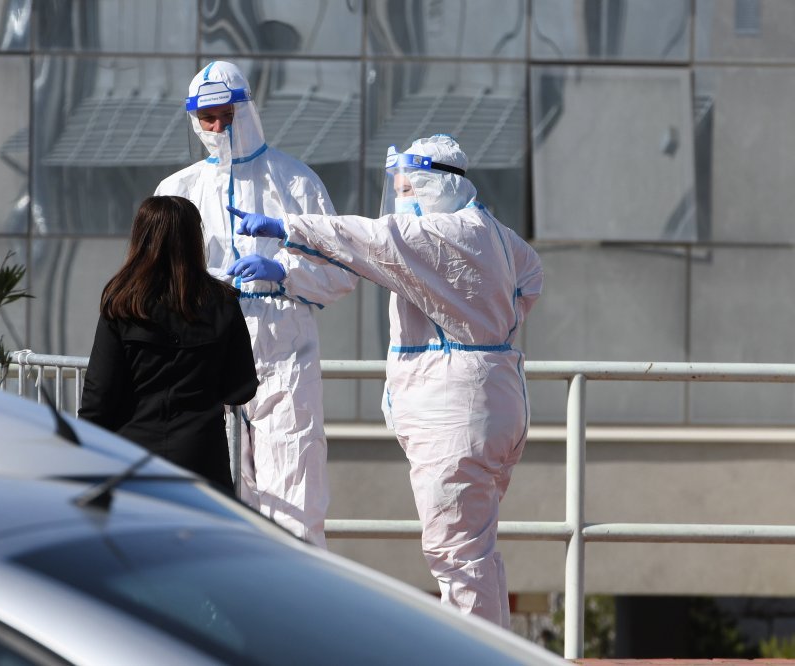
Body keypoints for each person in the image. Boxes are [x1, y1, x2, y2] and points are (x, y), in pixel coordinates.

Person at [230, 134, 543, 628]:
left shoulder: (438, 235)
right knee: (475, 548)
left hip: (454, 411)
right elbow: (530, 280)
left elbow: (370, 239)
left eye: (405, 189)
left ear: (432, 185)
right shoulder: (496, 234)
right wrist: (482, 319)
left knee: (456, 555)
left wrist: (287, 228)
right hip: (496, 400)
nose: (400, 201)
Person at [155, 61, 357, 546]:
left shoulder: (295, 182)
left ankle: (297, 592)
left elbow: (341, 270)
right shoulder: (177, 191)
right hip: (205, 348)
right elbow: (156, 280)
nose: (217, 128)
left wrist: (284, 272)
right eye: (207, 119)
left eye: (226, 116)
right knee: (219, 492)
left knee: (295, 488)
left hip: (283, 350)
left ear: (246, 110)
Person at [79, 195, 258, 494]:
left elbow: (99, 395)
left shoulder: (121, 303)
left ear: (141, 237)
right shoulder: (223, 302)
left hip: (131, 457)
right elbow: (241, 389)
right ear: (193, 239)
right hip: (201, 458)